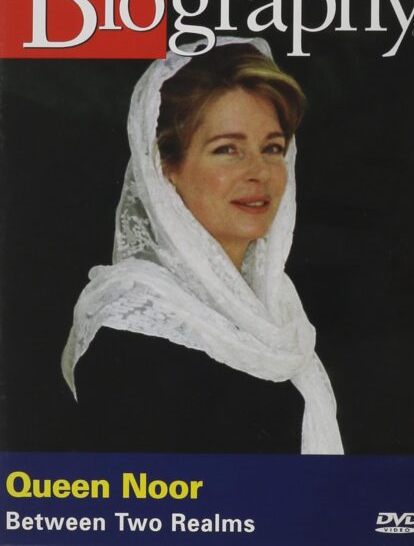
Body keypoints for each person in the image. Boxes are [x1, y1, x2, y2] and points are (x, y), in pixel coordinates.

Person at [62, 36, 343, 454]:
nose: (260, 171)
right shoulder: (131, 333)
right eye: (227, 149)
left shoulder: (280, 308)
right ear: (166, 168)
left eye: (272, 148)